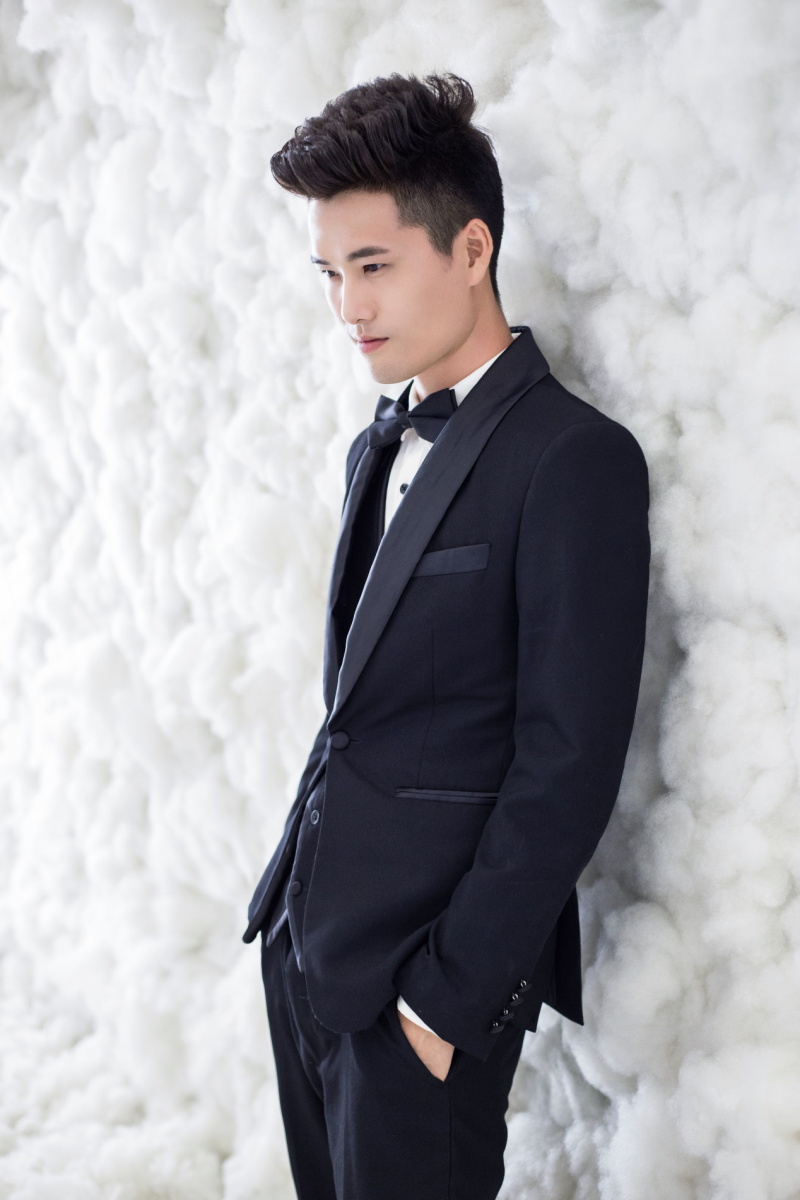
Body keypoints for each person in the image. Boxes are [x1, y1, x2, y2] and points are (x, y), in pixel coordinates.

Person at [242, 72, 650, 1200]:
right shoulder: (376, 444)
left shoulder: (574, 459)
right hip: (308, 951)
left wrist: (443, 1003)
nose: (348, 306)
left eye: (372, 266)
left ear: (471, 250)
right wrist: (291, 928)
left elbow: (567, 765)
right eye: (330, 273)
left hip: (423, 999)